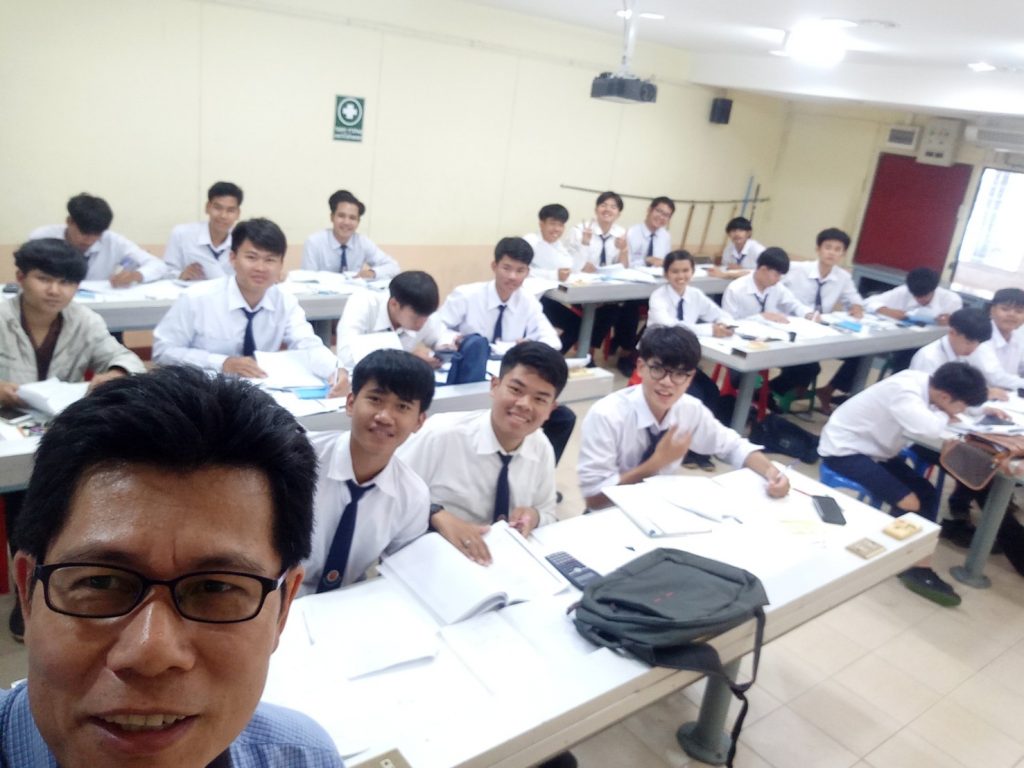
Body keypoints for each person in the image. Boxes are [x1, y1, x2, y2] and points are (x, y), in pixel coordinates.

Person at [5, 366, 343, 767]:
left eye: (216, 588)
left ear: (283, 609)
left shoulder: (305, 758)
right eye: (101, 582)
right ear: (27, 592)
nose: (151, 654)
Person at [2, 238, 147, 641]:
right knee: (20, 504)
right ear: (20, 278)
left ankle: (50, 584)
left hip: (55, 425)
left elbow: (126, 358)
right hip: (6, 430)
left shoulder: (83, 319)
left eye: (66, 282)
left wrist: (116, 374)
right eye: (44, 279)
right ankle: (25, 589)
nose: (55, 290)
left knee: (60, 502)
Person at [818, 362, 988, 606]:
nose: (961, 411)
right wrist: (943, 415)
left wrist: (949, 413)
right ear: (944, 396)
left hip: (876, 452)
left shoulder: (928, 385)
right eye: (961, 405)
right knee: (910, 502)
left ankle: (909, 557)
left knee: (926, 492)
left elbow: (941, 419)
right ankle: (910, 564)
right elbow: (929, 428)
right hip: (845, 451)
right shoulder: (906, 391)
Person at [577, 325, 791, 510]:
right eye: (658, 369)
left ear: (690, 379)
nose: (667, 382)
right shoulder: (607, 415)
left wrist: (771, 472)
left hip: (660, 509)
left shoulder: (689, 409)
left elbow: (734, 446)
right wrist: (656, 463)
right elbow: (594, 500)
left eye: (679, 374)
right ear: (641, 367)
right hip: (610, 515)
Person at [399, 342, 567, 564]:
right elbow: (390, 498)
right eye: (516, 390)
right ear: (494, 386)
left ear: (551, 409)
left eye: (540, 399)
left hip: (502, 562)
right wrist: (435, 514)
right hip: (431, 558)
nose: (525, 404)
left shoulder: (541, 446)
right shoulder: (440, 434)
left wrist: (533, 517)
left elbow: (548, 512)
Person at [152, 217, 346, 395]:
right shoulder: (197, 298)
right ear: (233, 258)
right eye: (251, 257)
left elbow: (308, 344)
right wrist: (222, 363)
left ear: (280, 265)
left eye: (270, 260)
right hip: (202, 392)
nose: (260, 268)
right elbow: (163, 351)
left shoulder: (284, 301)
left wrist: (336, 370)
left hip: (260, 393)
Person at [301, 349, 435, 594]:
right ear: (350, 403)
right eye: (375, 400)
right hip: (271, 595)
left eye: (402, 406)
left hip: (347, 602)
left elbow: (404, 575)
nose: (384, 417)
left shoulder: (413, 495)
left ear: (419, 421)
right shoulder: (299, 457)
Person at [436, 237, 574, 464]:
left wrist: (526, 345)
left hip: (511, 378)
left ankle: (536, 472)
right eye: (507, 268)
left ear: (528, 272)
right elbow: (436, 329)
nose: (512, 277)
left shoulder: (528, 302)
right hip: (470, 375)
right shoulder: (467, 295)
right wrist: (456, 339)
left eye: (520, 271)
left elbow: (552, 341)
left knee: (563, 418)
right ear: (494, 266)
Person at [646, 249, 734, 470]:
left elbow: (720, 314)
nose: (681, 276)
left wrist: (723, 324)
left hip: (683, 361)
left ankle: (699, 449)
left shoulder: (695, 295)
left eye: (686, 270)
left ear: (693, 272)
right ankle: (681, 449)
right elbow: (671, 327)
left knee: (711, 392)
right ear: (666, 274)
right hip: (660, 360)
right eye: (675, 271)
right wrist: (709, 329)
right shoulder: (658, 296)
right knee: (693, 395)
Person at [775, 227, 864, 408]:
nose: (832, 253)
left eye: (838, 249)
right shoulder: (797, 269)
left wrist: (856, 307)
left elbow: (854, 300)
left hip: (820, 331)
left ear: (843, 254)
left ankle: (828, 390)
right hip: (792, 329)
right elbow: (770, 283)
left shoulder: (843, 277)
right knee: (809, 368)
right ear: (818, 249)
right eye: (828, 247)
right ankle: (767, 392)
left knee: (861, 356)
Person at [29, 193, 169, 286]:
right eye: (84, 233)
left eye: (97, 234)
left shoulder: (113, 241)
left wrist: (136, 275)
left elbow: (158, 265)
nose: (89, 241)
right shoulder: (42, 237)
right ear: (69, 221)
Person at [336, 270, 445, 373]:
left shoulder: (424, 311)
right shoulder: (363, 303)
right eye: (415, 318)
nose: (421, 324)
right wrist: (408, 360)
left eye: (426, 318)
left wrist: (444, 349)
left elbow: (442, 338)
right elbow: (346, 356)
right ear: (394, 304)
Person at [864, 267, 964, 376]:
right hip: (907, 345)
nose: (920, 300)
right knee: (904, 359)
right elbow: (867, 302)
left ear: (934, 289)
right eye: (916, 296)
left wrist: (952, 322)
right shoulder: (904, 291)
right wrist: (886, 310)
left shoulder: (951, 300)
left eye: (925, 296)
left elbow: (959, 330)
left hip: (936, 347)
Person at [565, 191, 629, 354]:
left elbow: (623, 268)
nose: (608, 209)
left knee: (616, 308)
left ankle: (587, 349)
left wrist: (623, 250)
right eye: (603, 205)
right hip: (582, 287)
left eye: (613, 207)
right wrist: (584, 246)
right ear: (596, 209)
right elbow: (569, 262)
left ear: (618, 213)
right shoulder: (580, 230)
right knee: (603, 307)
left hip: (605, 289)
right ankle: (586, 351)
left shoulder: (621, 234)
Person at [301, 189, 399, 279]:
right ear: (332, 217)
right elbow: (308, 278)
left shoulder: (362, 242)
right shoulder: (314, 242)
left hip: (354, 291)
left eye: (352, 218)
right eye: (341, 216)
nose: (346, 222)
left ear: (358, 222)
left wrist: (372, 272)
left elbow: (394, 267)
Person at [525, 203, 583, 351]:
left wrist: (584, 244)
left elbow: (572, 267)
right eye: (552, 223)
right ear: (541, 223)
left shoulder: (558, 245)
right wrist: (553, 275)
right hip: (528, 299)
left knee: (578, 324)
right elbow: (522, 271)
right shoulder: (530, 241)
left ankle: (553, 357)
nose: (556, 229)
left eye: (561, 225)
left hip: (547, 297)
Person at [163, 181, 244, 281]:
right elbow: (166, 272)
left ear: (238, 213)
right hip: (189, 289)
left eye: (230, 210)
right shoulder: (181, 233)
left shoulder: (242, 241)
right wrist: (181, 275)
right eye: (218, 208)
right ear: (207, 207)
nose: (223, 216)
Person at [721, 247, 812, 322]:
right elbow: (728, 324)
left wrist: (807, 313)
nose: (778, 279)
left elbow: (793, 304)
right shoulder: (735, 289)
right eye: (776, 275)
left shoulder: (776, 287)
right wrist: (761, 318)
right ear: (763, 270)